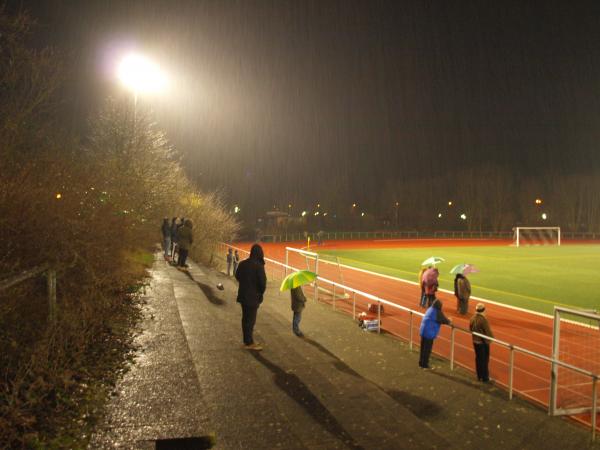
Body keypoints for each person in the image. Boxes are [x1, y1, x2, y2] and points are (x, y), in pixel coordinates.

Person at [235, 244, 267, 350]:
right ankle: (249, 342)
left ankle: (247, 341)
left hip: (243, 295)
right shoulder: (259, 266)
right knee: (251, 320)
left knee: (245, 319)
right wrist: (260, 293)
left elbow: (237, 276)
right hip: (253, 297)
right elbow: (263, 284)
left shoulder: (243, 263)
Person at [418, 298, 452, 369]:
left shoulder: (430, 309)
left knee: (423, 348)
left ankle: (421, 363)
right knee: (427, 349)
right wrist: (449, 320)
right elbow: (445, 320)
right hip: (429, 333)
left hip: (423, 331)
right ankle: (425, 365)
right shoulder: (437, 312)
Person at [469, 303, 494, 382]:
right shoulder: (483, 320)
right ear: (484, 310)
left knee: (478, 359)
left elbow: (470, 328)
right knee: (484, 360)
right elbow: (487, 331)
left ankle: (479, 376)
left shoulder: (472, 318)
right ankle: (485, 378)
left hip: (475, 341)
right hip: (482, 343)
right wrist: (490, 339)